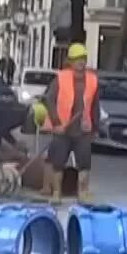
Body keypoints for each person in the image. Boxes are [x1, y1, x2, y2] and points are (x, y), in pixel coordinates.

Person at [40, 42, 101, 203]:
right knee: (58, 162)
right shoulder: (61, 78)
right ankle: (56, 193)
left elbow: (95, 105)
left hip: (83, 130)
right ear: (71, 61)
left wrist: (95, 127)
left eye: (83, 59)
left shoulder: (93, 80)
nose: (81, 62)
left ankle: (83, 193)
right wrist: (56, 123)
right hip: (63, 129)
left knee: (84, 163)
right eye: (77, 59)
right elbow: (49, 100)